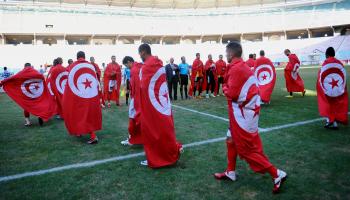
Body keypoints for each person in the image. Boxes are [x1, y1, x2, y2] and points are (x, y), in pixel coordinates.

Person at [214, 42, 287, 194]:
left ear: (231, 53)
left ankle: (276, 174)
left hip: (243, 115)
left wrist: (224, 88)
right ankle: (230, 172)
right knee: (230, 139)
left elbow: (232, 93)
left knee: (246, 150)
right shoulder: (242, 66)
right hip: (244, 113)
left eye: (226, 52)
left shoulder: (237, 68)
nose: (225, 55)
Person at [138, 43, 182, 168]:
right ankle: (169, 153)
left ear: (143, 52)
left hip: (151, 104)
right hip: (162, 103)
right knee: (164, 128)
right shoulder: (159, 63)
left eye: (140, 53)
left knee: (151, 130)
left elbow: (143, 87)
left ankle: (155, 158)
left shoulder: (146, 67)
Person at [62, 51, 102, 144]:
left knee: (78, 113)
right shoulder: (90, 65)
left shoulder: (72, 66)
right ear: (84, 57)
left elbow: (69, 81)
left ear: (77, 57)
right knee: (88, 114)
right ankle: (81, 132)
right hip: (90, 95)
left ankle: (92, 135)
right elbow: (96, 79)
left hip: (77, 94)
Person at [317, 47, 348, 130]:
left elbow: (321, 76)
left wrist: (321, 88)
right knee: (335, 104)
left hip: (327, 89)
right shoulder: (339, 63)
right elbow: (343, 76)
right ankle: (334, 124)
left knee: (328, 104)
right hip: (338, 89)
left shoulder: (325, 63)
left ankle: (329, 121)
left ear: (326, 54)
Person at [121, 56, 143, 146]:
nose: (127, 67)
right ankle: (138, 137)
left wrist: (136, 98)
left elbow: (137, 86)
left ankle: (132, 138)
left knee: (133, 117)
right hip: (142, 97)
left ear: (129, 61)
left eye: (126, 65)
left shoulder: (134, 70)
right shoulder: (140, 67)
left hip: (137, 98)